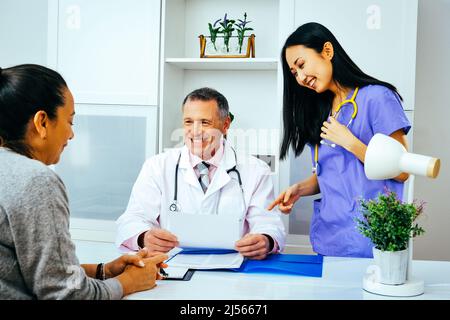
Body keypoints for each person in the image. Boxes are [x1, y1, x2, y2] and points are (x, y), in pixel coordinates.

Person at [0, 64, 167, 299]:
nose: (71, 134)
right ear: (42, 122)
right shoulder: (36, 181)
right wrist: (128, 282)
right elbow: (66, 294)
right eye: (70, 121)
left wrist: (104, 271)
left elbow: (32, 272)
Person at [268, 22, 411, 258]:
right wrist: (300, 189)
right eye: (294, 73)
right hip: (330, 238)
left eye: (302, 65)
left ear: (327, 51)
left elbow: (402, 171)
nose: (301, 77)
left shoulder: (377, 98)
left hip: (373, 240)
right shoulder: (322, 111)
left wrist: (350, 142)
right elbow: (334, 171)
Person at [116, 87, 286, 260]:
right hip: (170, 266)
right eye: (189, 122)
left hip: (235, 270)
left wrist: (266, 240)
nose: (195, 131)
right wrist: (144, 237)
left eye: (205, 122)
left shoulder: (255, 170)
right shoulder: (157, 166)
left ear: (225, 125)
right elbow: (133, 218)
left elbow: (268, 223)